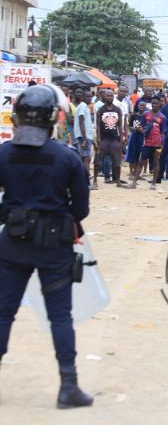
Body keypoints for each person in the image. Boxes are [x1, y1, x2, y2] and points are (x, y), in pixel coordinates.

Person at [0, 85, 93, 408]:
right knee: (60, 317)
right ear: (55, 118)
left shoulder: (3, 154)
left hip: (12, 244)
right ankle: (68, 387)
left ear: (17, 117)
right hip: (55, 245)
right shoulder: (66, 157)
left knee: (2, 314)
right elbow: (81, 209)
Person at [94, 90, 126, 188]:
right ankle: (95, 181)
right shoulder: (100, 110)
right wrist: (98, 139)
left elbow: (120, 126)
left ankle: (118, 181)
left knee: (117, 162)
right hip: (104, 139)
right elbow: (98, 126)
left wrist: (121, 139)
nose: (109, 97)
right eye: (108, 96)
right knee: (98, 161)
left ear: (113, 97)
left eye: (111, 96)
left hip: (114, 139)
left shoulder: (118, 110)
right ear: (104, 97)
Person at [134, 96, 166, 190]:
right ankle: (134, 182)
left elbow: (163, 132)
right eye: (152, 103)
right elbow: (141, 125)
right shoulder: (146, 114)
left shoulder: (162, 117)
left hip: (157, 143)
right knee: (141, 161)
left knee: (156, 162)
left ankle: (153, 183)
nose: (154, 105)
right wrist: (140, 129)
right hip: (147, 142)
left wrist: (161, 143)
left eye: (156, 103)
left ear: (160, 104)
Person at [71, 88, 93, 176]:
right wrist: (84, 138)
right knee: (86, 158)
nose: (89, 99)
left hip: (85, 136)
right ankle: (86, 178)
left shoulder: (84, 106)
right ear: (82, 97)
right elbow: (81, 121)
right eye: (87, 97)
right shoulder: (83, 106)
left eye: (91, 97)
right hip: (84, 136)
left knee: (84, 157)